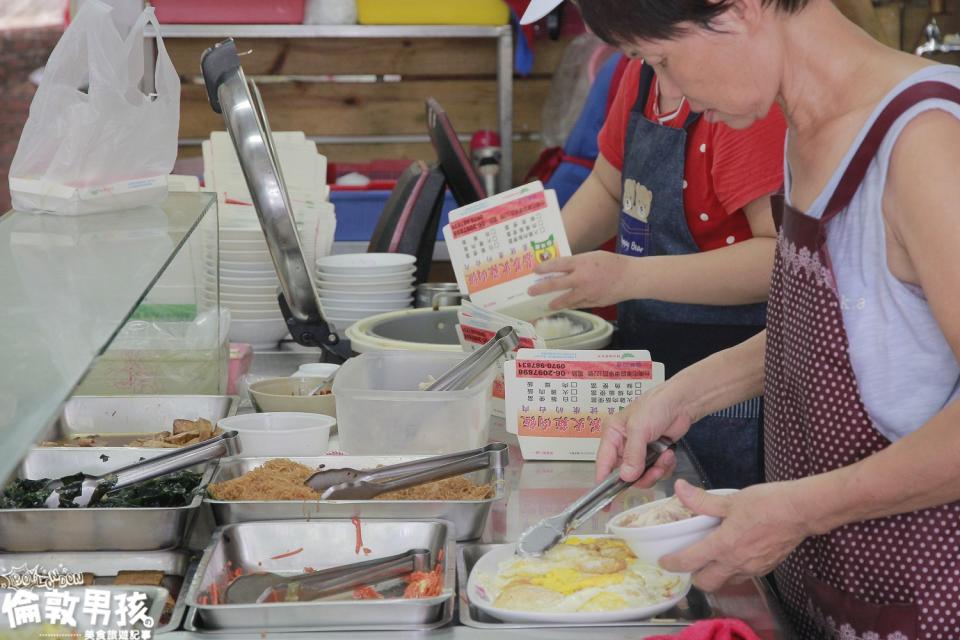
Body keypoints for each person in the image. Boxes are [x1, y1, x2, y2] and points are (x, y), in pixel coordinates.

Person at [574, 0, 960, 637]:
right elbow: (839, 327)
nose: (670, 92)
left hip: (928, 603)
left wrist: (801, 511)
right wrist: (684, 396)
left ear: (740, 8)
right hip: (828, 595)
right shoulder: (803, 130)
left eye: (662, 61)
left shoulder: (926, 141)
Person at [520, 1, 788, 490]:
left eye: (657, 56)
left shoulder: (737, 103)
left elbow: (778, 259)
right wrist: (528, 268)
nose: (643, 61)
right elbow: (607, 187)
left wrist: (627, 276)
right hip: (647, 359)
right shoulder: (640, 71)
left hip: (733, 383)